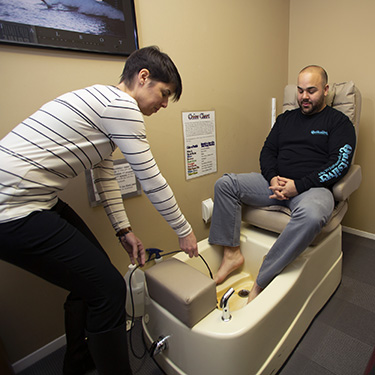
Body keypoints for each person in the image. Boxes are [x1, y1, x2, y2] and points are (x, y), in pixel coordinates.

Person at [0, 46, 198, 375]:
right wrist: (184, 230)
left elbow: (103, 174)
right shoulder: (121, 106)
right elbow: (150, 179)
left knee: (93, 279)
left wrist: (123, 230)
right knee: (108, 288)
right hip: (12, 208)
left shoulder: (103, 104)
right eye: (164, 95)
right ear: (143, 77)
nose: (164, 105)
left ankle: (79, 360)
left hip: (37, 200)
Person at [208, 65, 356, 302]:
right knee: (225, 184)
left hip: (311, 189)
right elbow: (268, 151)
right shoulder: (285, 119)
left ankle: (262, 279)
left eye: (311, 90)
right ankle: (232, 254)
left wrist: (298, 185)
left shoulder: (339, 123)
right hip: (275, 184)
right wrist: (272, 177)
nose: (304, 97)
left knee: (311, 215)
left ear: (326, 90)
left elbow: (340, 164)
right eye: (300, 90)